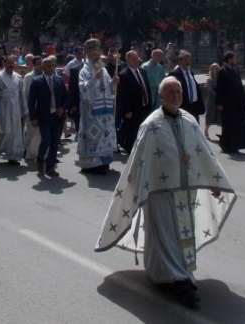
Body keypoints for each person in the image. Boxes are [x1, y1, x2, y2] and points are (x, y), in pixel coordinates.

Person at [95, 77, 237, 307]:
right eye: (170, 91)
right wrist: (136, 189)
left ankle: (180, 274)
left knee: (182, 236)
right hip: (159, 193)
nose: (175, 95)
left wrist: (214, 182)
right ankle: (176, 279)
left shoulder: (190, 121)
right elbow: (137, 161)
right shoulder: (151, 125)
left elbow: (203, 153)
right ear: (161, 96)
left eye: (178, 91)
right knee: (164, 236)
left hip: (185, 191)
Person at [77, 38, 117, 175]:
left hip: (105, 111)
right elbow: (83, 90)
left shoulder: (103, 69)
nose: (97, 56)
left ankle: (104, 162)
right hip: (92, 112)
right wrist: (95, 78)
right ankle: (91, 165)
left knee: (105, 136)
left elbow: (106, 88)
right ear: (88, 54)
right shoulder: (84, 71)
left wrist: (113, 82)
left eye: (98, 53)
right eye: (93, 54)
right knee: (95, 136)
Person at [28, 56, 69, 177]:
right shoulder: (37, 81)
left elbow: (66, 97)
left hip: (58, 116)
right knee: (46, 140)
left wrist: (63, 108)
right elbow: (31, 102)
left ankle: (50, 167)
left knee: (55, 142)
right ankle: (40, 159)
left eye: (53, 65)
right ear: (43, 67)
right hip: (44, 116)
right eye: (48, 65)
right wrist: (33, 118)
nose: (51, 68)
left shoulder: (59, 80)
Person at [0, 55, 28, 166]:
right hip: (4, 107)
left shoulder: (18, 77)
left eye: (13, 62)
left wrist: (24, 110)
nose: (11, 64)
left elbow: (21, 94)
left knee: (15, 133)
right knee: (6, 131)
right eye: (9, 62)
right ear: (4, 63)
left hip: (16, 107)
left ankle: (12, 157)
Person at [215, 51, 245, 154]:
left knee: (237, 124)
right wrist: (219, 103)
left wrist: (243, 99)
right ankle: (226, 145)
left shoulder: (236, 71)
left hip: (237, 103)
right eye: (234, 58)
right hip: (227, 104)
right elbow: (219, 89)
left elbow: (240, 86)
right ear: (230, 59)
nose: (236, 60)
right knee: (228, 125)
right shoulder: (223, 71)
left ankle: (235, 144)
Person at [118, 50, 153, 153]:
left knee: (144, 131)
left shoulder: (142, 71)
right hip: (133, 110)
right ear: (127, 60)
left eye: (137, 58)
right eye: (133, 59)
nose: (136, 60)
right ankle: (131, 152)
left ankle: (143, 150)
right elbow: (123, 95)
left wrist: (149, 106)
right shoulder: (124, 75)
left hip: (145, 107)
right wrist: (127, 110)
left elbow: (147, 89)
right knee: (132, 132)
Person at [168, 50, 205, 122]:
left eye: (189, 60)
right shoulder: (175, 74)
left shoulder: (191, 73)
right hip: (183, 107)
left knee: (195, 130)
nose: (188, 62)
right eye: (185, 60)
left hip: (194, 107)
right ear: (179, 61)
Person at [203, 63, 221, 140]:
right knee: (210, 115)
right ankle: (206, 131)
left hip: (220, 100)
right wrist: (217, 94)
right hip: (212, 100)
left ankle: (223, 133)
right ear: (212, 70)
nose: (217, 70)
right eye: (215, 68)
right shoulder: (209, 79)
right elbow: (209, 89)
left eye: (218, 68)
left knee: (220, 116)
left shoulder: (221, 78)